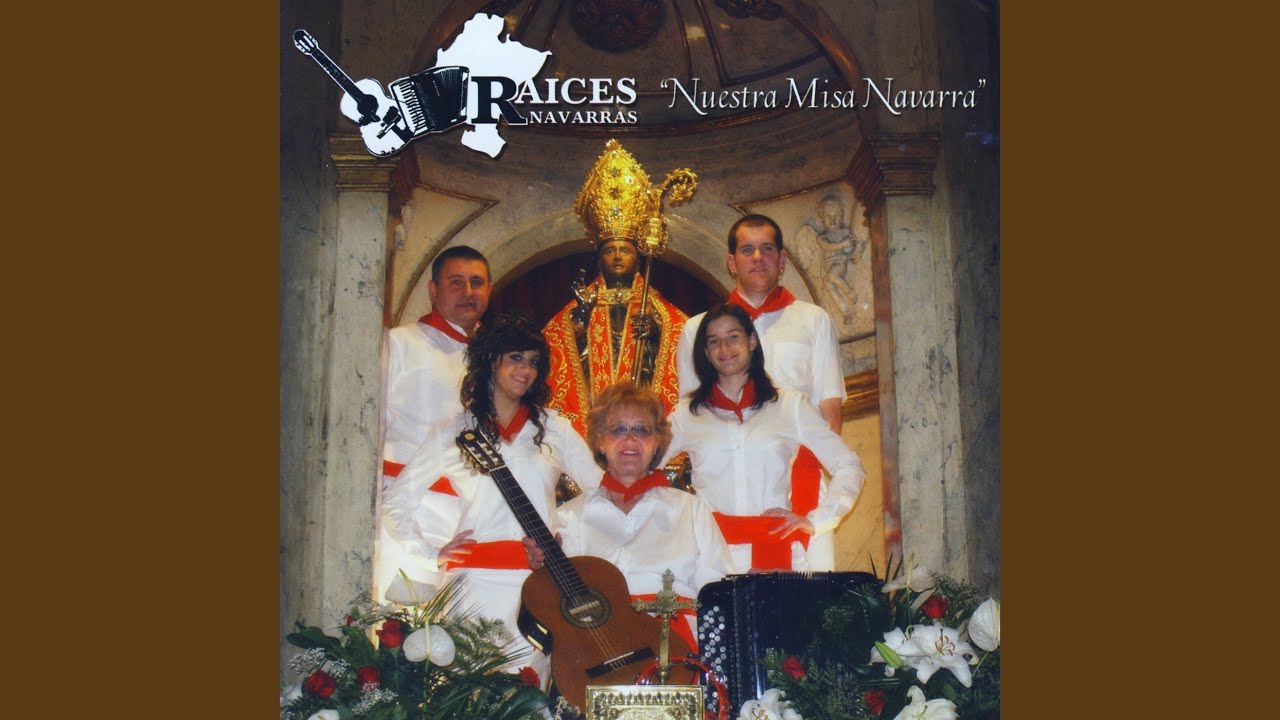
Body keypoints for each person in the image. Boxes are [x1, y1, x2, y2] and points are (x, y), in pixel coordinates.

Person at [383, 314, 602, 684]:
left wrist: (560, 535)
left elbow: (601, 496)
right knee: (467, 696)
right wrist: (430, 553)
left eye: (533, 362)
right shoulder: (454, 431)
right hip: (471, 584)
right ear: (490, 360)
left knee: (527, 697)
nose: (525, 370)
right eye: (515, 358)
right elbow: (395, 502)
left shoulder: (554, 428)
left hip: (537, 584)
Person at [675, 214, 848, 569]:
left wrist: (804, 499)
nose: (757, 258)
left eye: (767, 249)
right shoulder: (697, 329)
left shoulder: (814, 319)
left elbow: (830, 409)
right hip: (726, 485)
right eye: (747, 250)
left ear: (782, 260)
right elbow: (693, 414)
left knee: (807, 590)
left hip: (801, 477)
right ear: (731, 262)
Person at [526, 382, 732, 652]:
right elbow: (558, 603)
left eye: (642, 430)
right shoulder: (569, 517)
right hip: (598, 651)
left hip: (675, 649)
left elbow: (718, 595)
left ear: (657, 442)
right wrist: (543, 568)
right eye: (618, 429)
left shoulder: (692, 510)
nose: (631, 439)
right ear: (600, 441)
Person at [664, 304, 865, 575]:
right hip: (710, 554)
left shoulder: (789, 406)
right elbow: (644, 470)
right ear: (706, 352)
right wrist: (676, 520)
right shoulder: (687, 415)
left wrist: (819, 519)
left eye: (733, 337)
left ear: (752, 341)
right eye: (714, 341)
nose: (724, 348)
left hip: (775, 554)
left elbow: (849, 465)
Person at [544, 140, 691, 437]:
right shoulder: (585, 300)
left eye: (625, 250)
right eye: (610, 250)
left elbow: (684, 336)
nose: (617, 257)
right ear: (599, 259)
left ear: (638, 258)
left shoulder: (655, 307)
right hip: (593, 407)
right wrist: (580, 321)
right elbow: (553, 345)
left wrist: (655, 333)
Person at [376, 245, 493, 600]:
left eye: (477, 283)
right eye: (456, 282)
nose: (468, 292)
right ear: (433, 290)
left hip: (472, 521)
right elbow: (368, 429)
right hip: (412, 513)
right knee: (405, 624)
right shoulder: (398, 344)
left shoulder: (497, 360)